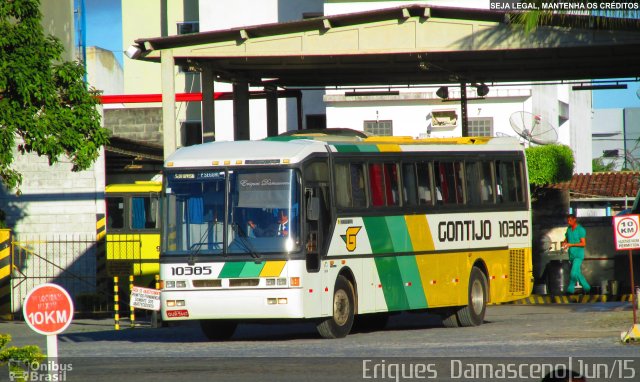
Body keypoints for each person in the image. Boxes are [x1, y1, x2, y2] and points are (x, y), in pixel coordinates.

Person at [561, 214, 591, 294]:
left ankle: (570, 290)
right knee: (577, 273)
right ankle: (587, 288)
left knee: (573, 273)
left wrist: (571, 244)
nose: (569, 222)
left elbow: (583, 243)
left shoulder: (580, 229)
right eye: (568, 220)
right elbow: (566, 238)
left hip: (578, 255)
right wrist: (564, 243)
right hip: (571, 255)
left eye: (570, 220)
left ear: (575, 220)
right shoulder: (569, 229)